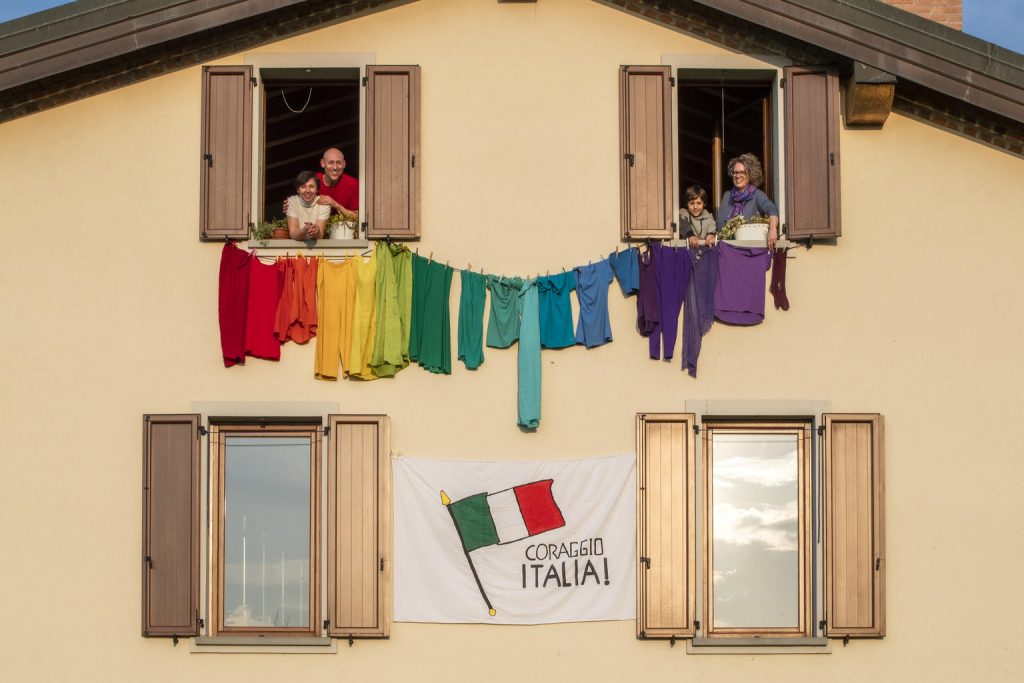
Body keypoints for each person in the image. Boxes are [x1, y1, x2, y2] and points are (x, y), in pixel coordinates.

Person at [716, 153, 779, 251]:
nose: (738, 175)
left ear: (750, 174)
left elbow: (772, 210)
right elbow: (720, 226)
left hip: (750, 251)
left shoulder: (757, 194)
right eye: (735, 172)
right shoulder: (727, 196)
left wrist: (772, 230)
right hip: (728, 250)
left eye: (742, 172)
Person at [283, 148, 359, 219]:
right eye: (331, 163)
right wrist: (290, 206)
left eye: (338, 163)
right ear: (322, 163)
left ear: (344, 164)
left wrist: (335, 205)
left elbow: (358, 216)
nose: (335, 167)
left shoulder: (353, 184)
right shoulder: (312, 181)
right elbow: (297, 203)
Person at [286, 171, 330, 241]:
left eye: (311, 186)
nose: (308, 190)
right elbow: (293, 234)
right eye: (303, 187)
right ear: (298, 190)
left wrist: (316, 230)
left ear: (317, 189)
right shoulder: (291, 202)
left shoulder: (324, 203)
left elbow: (319, 235)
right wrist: (305, 230)